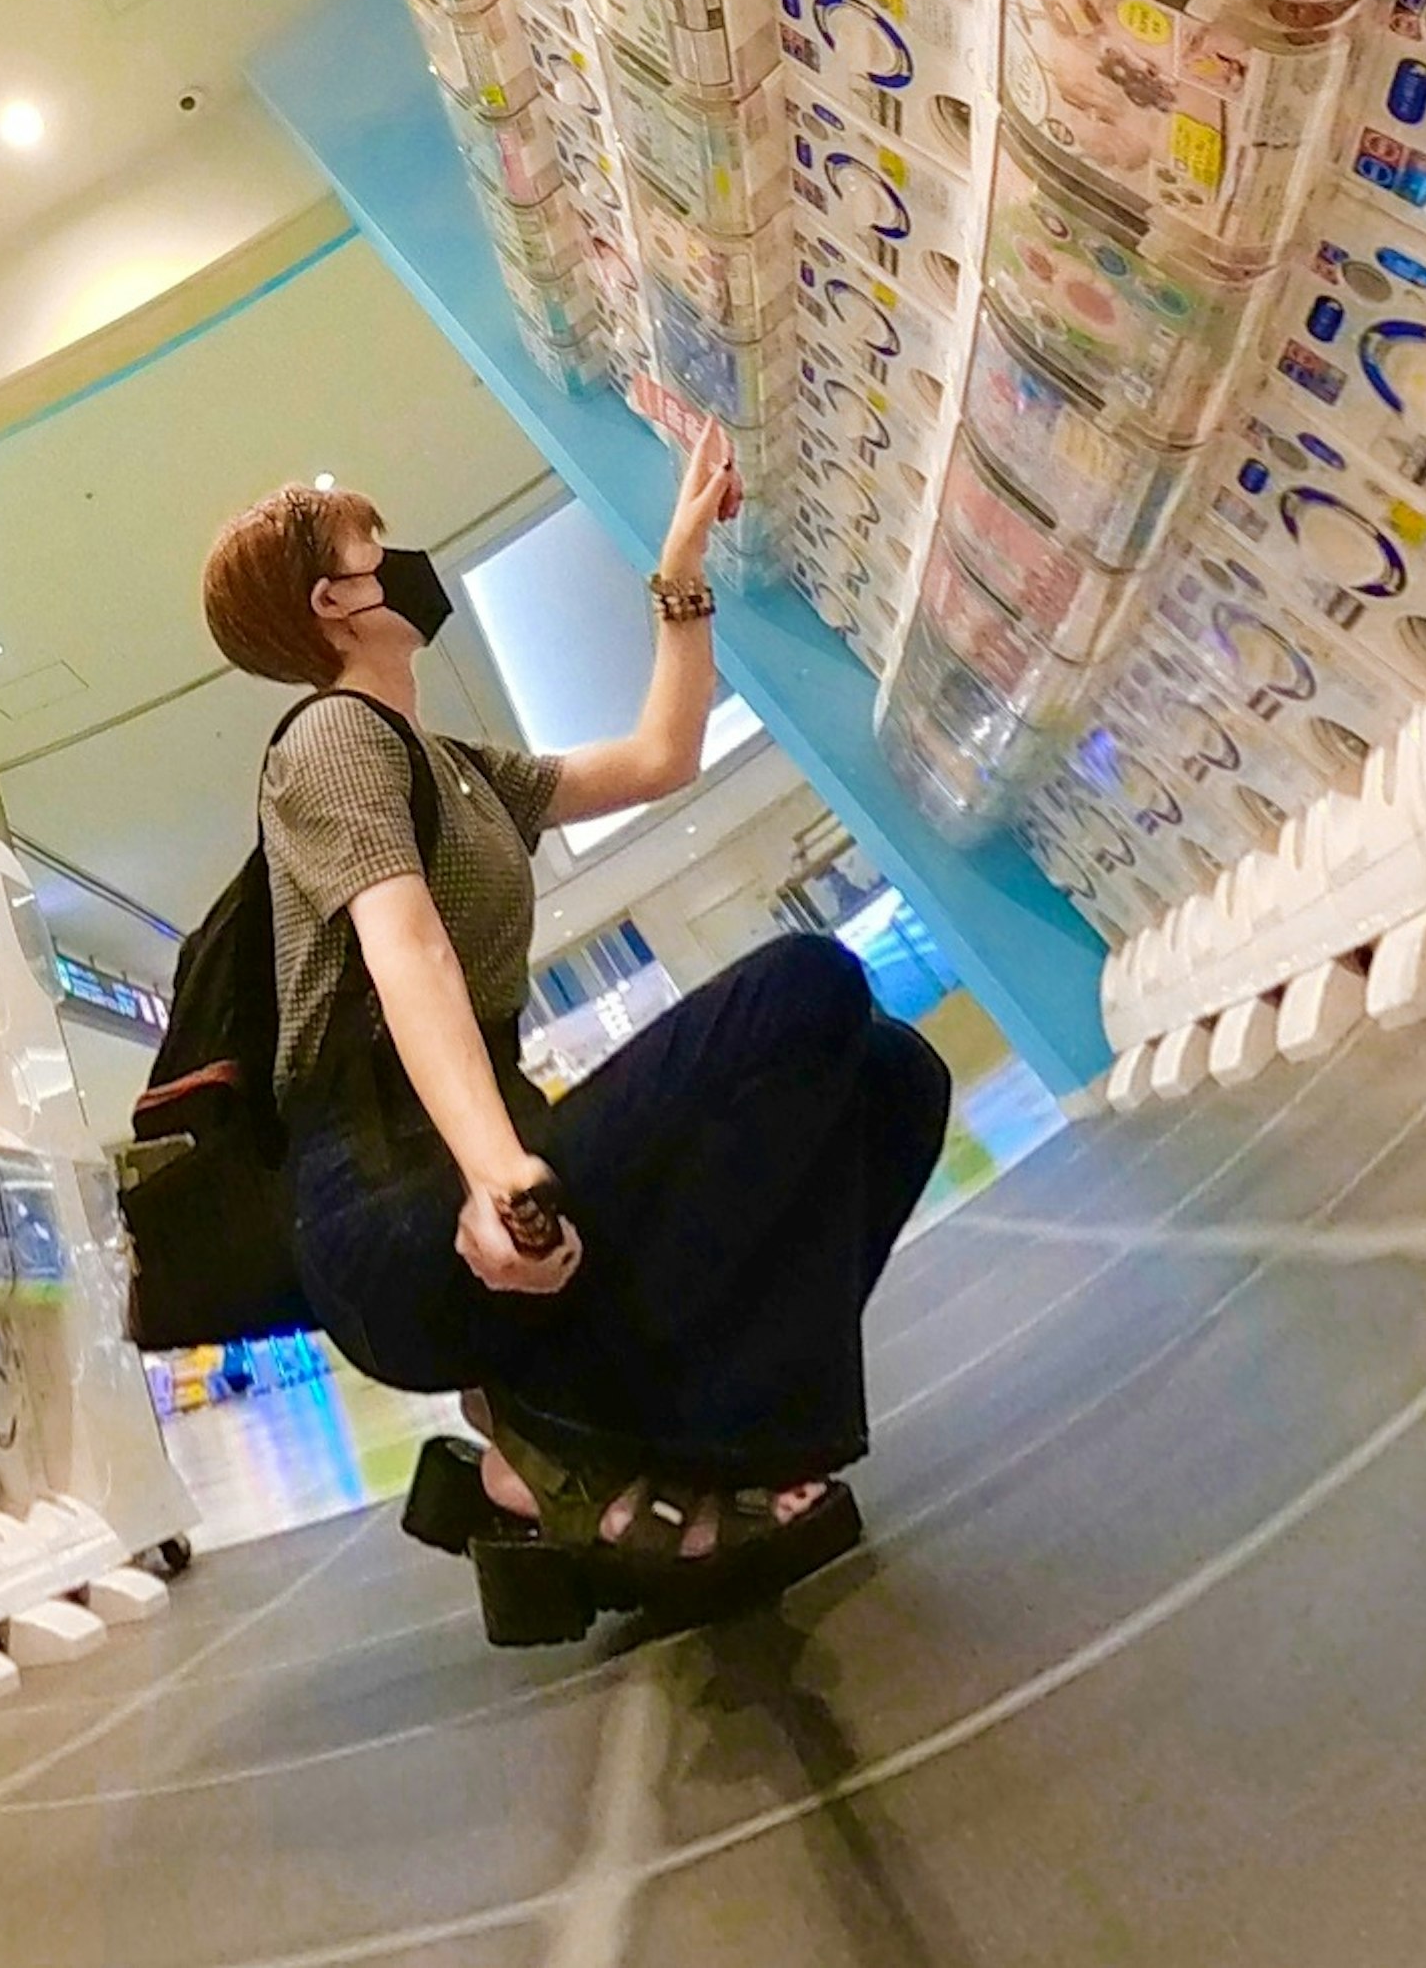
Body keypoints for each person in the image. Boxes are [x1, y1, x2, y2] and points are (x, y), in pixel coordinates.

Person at [199, 425, 951, 1612]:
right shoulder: (328, 739)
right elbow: (409, 952)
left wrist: (682, 563)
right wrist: (499, 1176)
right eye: (376, 548)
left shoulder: (454, 765)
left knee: (898, 1077)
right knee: (808, 985)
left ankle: (671, 1437)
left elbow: (663, 755)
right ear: (336, 601)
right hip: (395, 1199)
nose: (407, 562)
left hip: (492, 1143)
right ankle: (582, 1446)